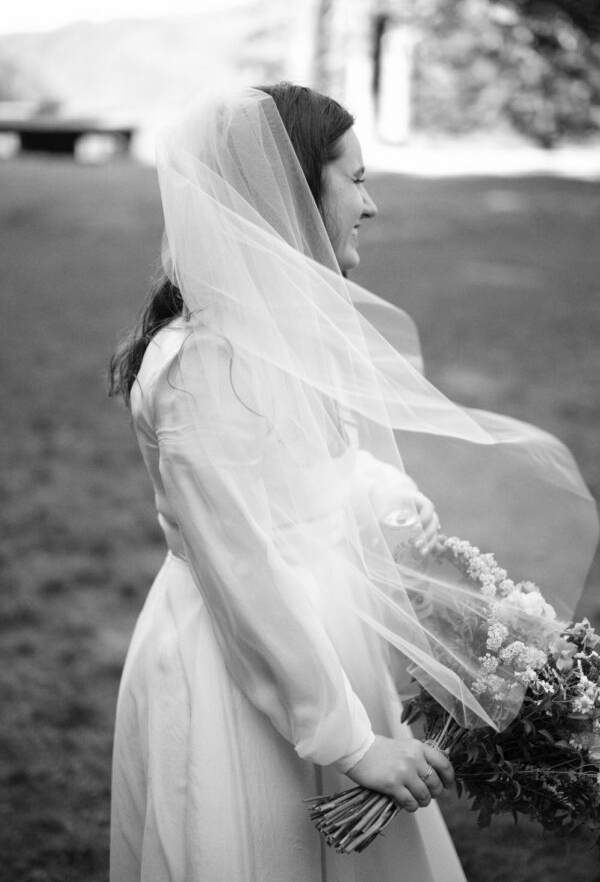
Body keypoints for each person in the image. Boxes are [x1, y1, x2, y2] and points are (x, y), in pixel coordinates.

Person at [108, 83, 597, 882]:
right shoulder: (205, 364)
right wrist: (349, 739)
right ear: (296, 193)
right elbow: (242, 564)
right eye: (357, 179)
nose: (370, 204)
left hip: (334, 643)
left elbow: (306, 467)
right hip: (252, 670)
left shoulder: (275, 335)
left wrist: (396, 509)